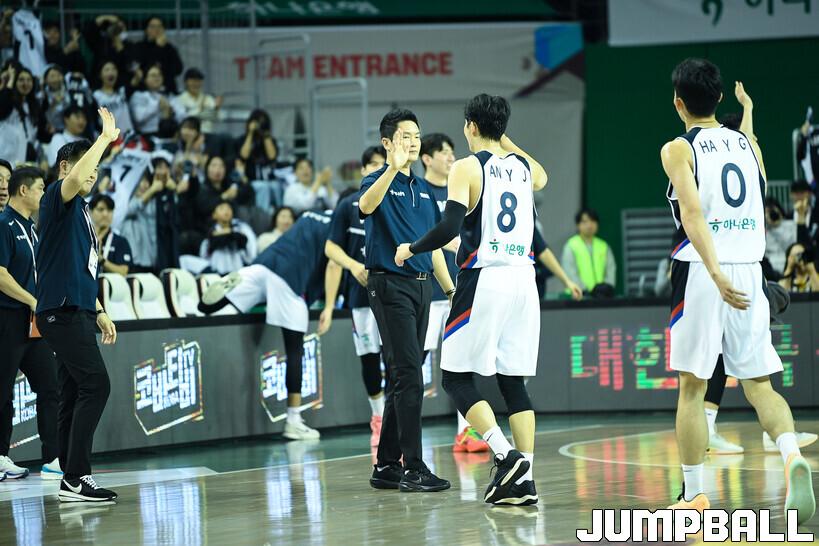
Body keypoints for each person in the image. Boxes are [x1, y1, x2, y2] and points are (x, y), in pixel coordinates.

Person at [661, 60, 814, 524]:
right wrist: (748, 110)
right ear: (720, 98)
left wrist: (714, 272)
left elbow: (692, 214)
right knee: (760, 385)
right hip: (750, 270)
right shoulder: (747, 144)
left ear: (678, 103)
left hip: (702, 271)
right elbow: (751, 151)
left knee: (692, 387)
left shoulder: (678, 148)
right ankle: (790, 454)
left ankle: (694, 497)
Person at [395, 94, 548, 505]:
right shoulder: (524, 168)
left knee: (455, 377)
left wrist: (411, 249)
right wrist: (503, 138)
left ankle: (505, 455)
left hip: (485, 277)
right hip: (524, 280)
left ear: (470, 126)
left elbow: (448, 227)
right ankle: (525, 479)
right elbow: (542, 177)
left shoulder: (466, 166)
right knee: (513, 382)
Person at [359, 108, 455, 493]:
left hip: (422, 287)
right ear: (387, 143)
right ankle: (413, 467)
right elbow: (366, 206)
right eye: (405, 137)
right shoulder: (376, 180)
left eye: (416, 136)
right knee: (410, 375)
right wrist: (390, 168)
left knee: (404, 377)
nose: (413, 142)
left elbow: (433, 247)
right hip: (389, 284)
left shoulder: (424, 191)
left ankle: (386, 465)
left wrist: (450, 290)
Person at [35, 109, 119, 502]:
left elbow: (83, 268)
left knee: (71, 393)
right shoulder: (57, 197)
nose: (93, 173)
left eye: (98, 168)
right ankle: (78, 474)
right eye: (88, 166)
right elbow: (72, 181)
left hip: (79, 310)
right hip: (61, 311)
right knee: (96, 384)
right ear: (66, 167)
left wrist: (98, 309)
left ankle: (69, 477)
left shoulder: (83, 212)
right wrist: (103, 139)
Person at [199, 210, 341, 440]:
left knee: (222, 303)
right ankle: (293, 421)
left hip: (265, 262)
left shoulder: (312, 214)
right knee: (295, 350)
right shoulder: (344, 225)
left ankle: (205, 304)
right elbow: (334, 264)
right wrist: (329, 306)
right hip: (289, 278)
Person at [418, 133, 488, 453]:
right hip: (430, 291)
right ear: (427, 159)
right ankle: (404, 431)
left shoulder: (461, 187)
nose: (451, 157)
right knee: (417, 361)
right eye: (443, 152)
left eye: (452, 151)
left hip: (462, 290)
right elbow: (429, 236)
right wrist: (455, 244)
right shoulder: (419, 191)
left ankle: (467, 431)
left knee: (463, 361)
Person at [321, 145, 386, 447]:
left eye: (383, 165)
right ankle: (379, 418)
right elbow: (331, 248)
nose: (378, 170)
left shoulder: (397, 200)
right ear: (363, 170)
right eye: (372, 165)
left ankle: (396, 420)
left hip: (394, 294)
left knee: (398, 361)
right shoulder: (348, 206)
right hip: (361, 297)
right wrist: (354, 265)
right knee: (369, 358)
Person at [0, 167, 61, 481]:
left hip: (33, 323)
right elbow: (0, 275)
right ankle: (0, 456)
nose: (44, 194)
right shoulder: (3, 224)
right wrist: (32, 300)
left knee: (50, 386)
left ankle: (53, 457)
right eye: (40, 188)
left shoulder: (32, 229)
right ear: (23, 190)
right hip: (7, 318)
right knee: (2, 391)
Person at [560, 208, 616, 295]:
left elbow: (611, 270)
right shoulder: (571, 246)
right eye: (585, 222)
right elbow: (569, 272)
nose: (589, 225)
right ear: (578, 225)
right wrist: (585, 290)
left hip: (602, 296)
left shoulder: (604, 246)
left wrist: (607, 288)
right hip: (577, 296)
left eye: (593, 221)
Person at [0, 64, 46, 165]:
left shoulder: (34, 105)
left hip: (23, 154)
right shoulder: (9, 100)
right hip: (5, 151)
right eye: (21, 80)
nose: (25, 83)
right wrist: (10, 80)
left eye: (29, 80)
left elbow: (39, 132)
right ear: (15, 82)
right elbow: (2, 109)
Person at [199, 201, 257, 275]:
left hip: (239, 270)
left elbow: (249, 247)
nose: (226, 211)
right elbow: (206, 253)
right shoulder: (209, 232)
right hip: (216, 272)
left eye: (229, 208)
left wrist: (231, 234)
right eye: (222, 208)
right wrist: (226, 235)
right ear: (214, 215)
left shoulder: (241, 227)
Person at [133, 17, 183, 95]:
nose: (157, 29)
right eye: (153, 26)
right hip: (146, 92)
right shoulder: (139, 47)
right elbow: (145, 68)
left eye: (160, 26)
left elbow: (178, 69)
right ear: (146, 30)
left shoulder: (169, 48)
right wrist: (158, 48)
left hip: (168, 89)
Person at [89, 194, 132, 276]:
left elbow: (123, 272)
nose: (105, 214)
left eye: (109, 210)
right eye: (101, 209)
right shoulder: (83, 238)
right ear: (90, 212)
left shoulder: (120, 241)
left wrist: (100, 259)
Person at [129, 63, 177, 137]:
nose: (157, 78)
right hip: (147, 135)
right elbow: (139, 118)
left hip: (169, 133)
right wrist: (158, 104)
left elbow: (180, 114)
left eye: (159, 75)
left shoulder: (167, 94)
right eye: (153, 75)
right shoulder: (138, 95)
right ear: (145, 79)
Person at [171, 68, 221, 133]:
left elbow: (217, 117)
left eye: (198, 81)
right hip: (188, 134)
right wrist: (203, 113)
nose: (196, 84)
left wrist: (216, 108)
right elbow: (182, 119)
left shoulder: (208, 98)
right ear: (186, 82)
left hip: (207, 133)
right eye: (193, 81)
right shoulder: (178, 100)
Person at [92, 61, 135, 135]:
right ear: (100, 75)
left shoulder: (122, 91)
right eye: (107, 70)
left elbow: (136, 80)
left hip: (129, 135)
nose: (111, 72)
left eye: (113, 69)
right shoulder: (96, 95)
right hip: (111, 138)